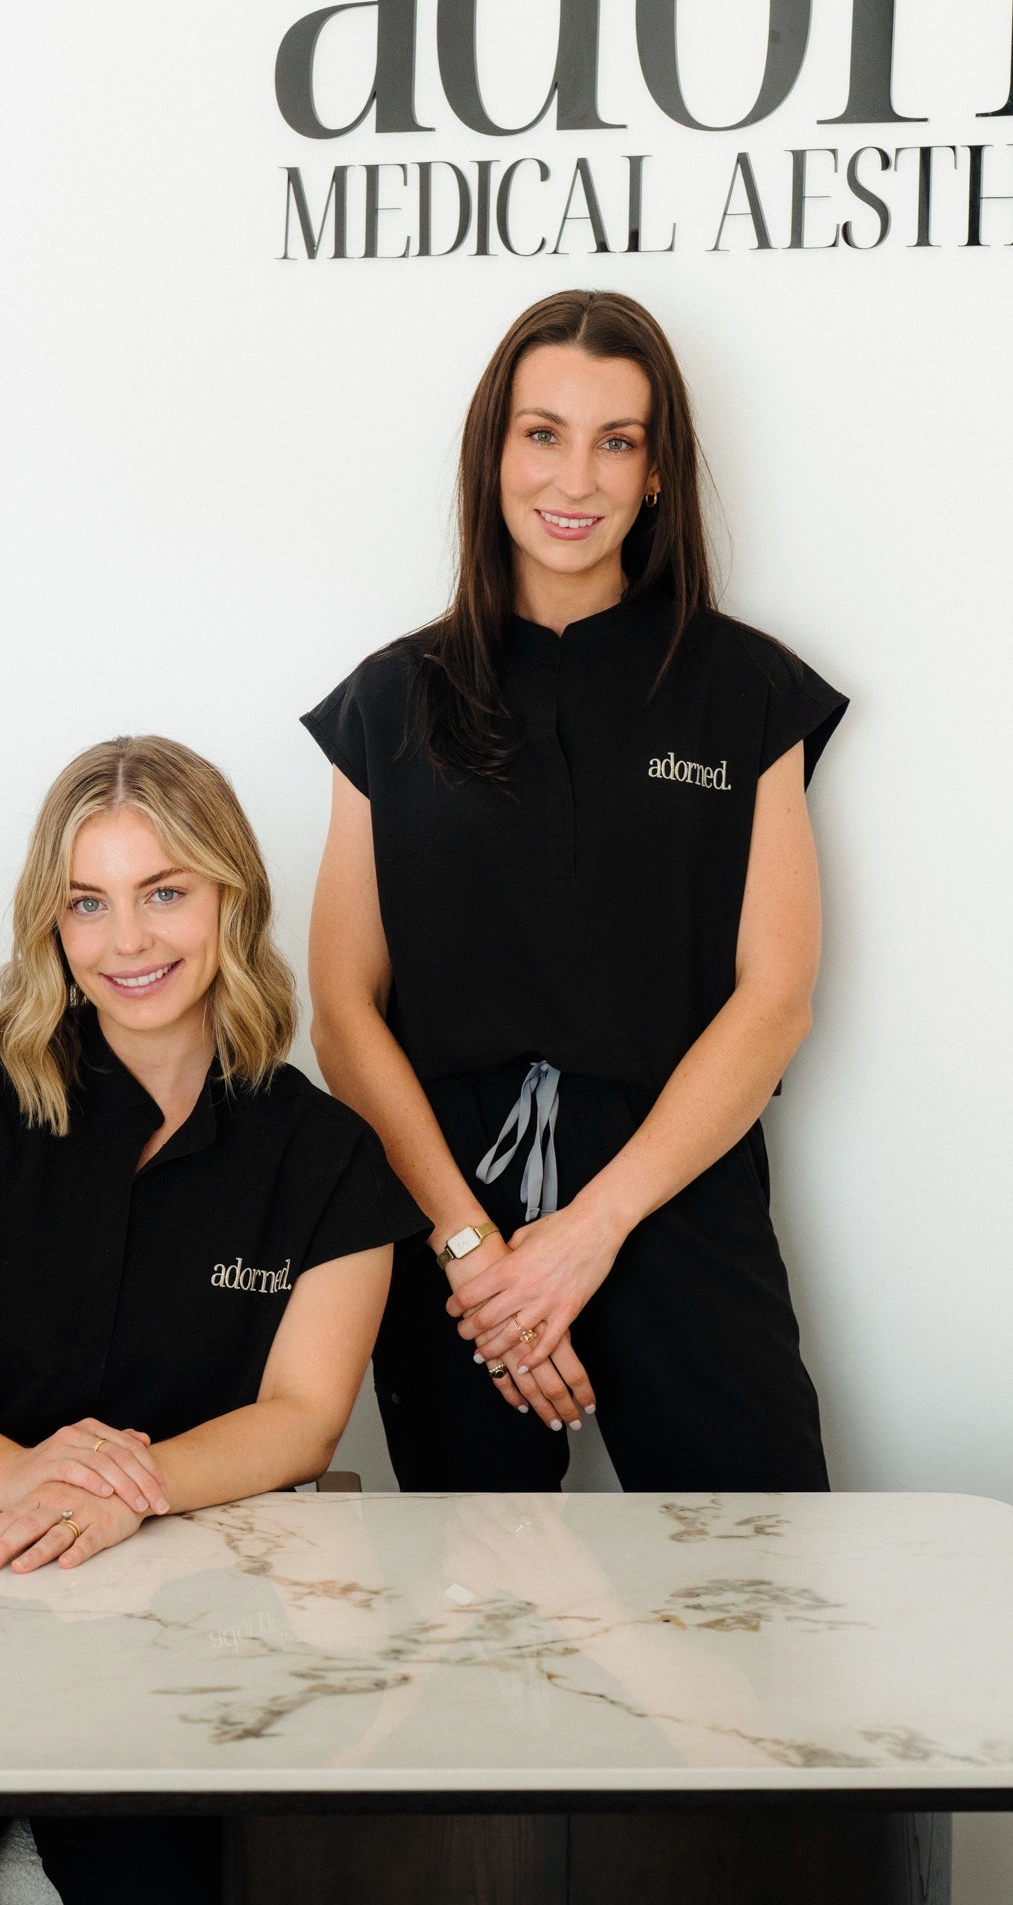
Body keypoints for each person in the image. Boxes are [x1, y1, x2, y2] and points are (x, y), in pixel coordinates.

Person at [0, 734, 423, 1905]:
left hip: (166, 1612)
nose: (129, 941)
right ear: (49, 923)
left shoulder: (326, 1156)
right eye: (87, 902)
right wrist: (20, 1478)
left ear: (232, 896)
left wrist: (123, 1490)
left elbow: (305, 1417)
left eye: (166, 892)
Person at [303, 289, 847, 1498]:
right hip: (451, 1217)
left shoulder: (744, 692)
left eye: (618, 440)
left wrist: (588, 1235)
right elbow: (341, 1006)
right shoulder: (388, 703)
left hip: (674, 1193)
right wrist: (473, 1252)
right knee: (476, 1607)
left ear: (657, 472)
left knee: (755, 1587)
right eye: (543, 432)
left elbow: (774, 1002)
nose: (577, 477)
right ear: (492, 452)